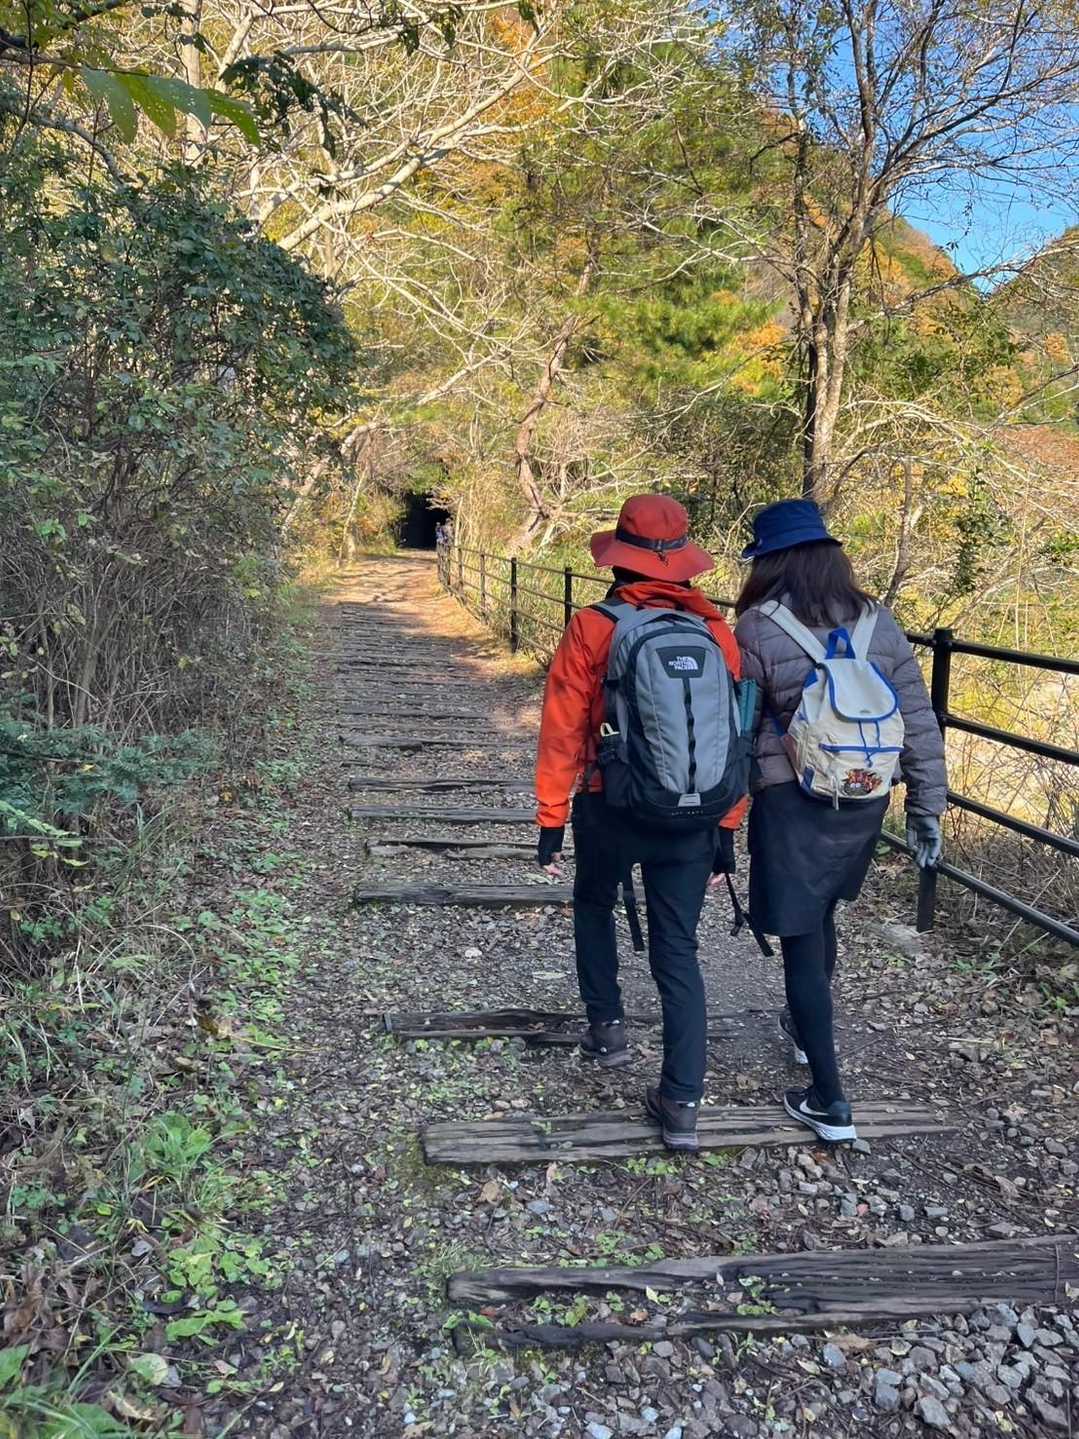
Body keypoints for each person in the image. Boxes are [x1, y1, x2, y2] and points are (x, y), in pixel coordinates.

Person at [535, 495, 747, 1151]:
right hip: (695, 814)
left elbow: (563, 726)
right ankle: (681, 1101)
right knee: (677, 947)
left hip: (612, 803)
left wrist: (551, 817)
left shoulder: (593, 626)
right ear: (682, 561)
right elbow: (731, 736)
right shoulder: (717, 632)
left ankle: (607, 1030)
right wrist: (726, 827)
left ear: (619, 558)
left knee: (593, 902)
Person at [734, 498, 947, 1143]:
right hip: (863, 796)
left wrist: (725, 811)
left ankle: (830, 1100)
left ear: (770, 562)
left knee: (800, 936)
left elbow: (740, 728)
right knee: (822, 914)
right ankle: (807, 1033)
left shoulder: (757, 627)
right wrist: (927, 805)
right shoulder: (880, 623)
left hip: (791, 800)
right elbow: (917, 719)